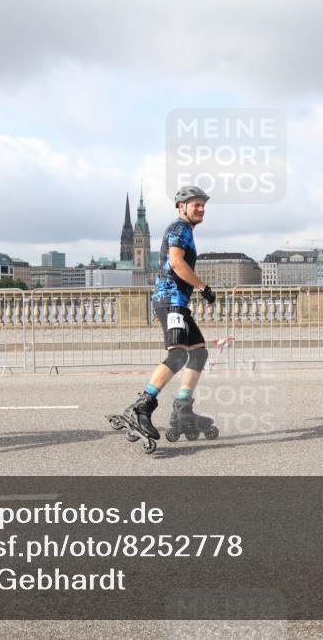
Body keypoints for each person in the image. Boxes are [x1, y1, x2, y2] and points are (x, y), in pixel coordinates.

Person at [106, 186, 219, 453]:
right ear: (182, 207)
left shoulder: (185, 229)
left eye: (203, 205)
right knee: (178, 355)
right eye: (195, 204)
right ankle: (141, 406)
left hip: (178, 303)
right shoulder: (179, 228)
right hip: (170, 302)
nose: (201, 209)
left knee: (199, 354)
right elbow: (178, 264)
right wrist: (204, 288)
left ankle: (183, 408)